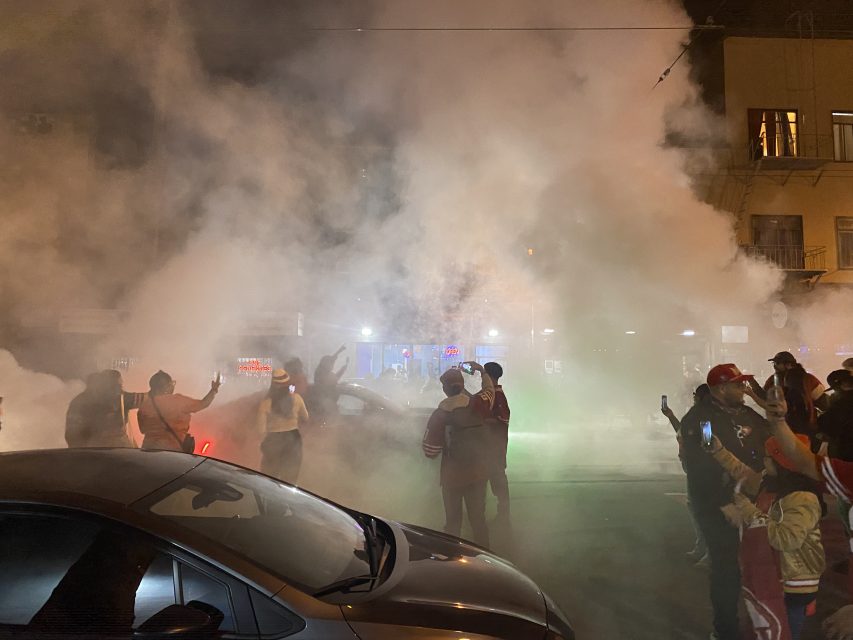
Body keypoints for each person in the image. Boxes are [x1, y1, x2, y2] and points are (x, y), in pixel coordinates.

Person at [680, 363, 770, 640]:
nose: (743, 388)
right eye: (737, 384)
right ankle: (725, 630)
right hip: (717, 505)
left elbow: (773, 439)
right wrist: (723, 502)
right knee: (726, 567)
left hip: (754, 499)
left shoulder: (747, 413)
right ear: (720, 388)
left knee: (759, 565)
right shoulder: (701, 420)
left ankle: (763, 621)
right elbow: (700, 465)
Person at [711, 434, 825, 640]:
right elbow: (742, 472)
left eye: (767, 457)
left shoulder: (802, 497)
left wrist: (749, 512)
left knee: (781, 633)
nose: (763, 461)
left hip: (793, 583)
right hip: (773, 574)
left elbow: (787, 539)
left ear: (782, 462)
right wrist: (718, 451)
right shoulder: (771, 482)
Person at [422, 362, 494, 547]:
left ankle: (453, 559)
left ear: (445, 389)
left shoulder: (440, 414)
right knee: (478, 519)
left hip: (452, 477)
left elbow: (430, 451)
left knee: (453, 522)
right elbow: (489, 390)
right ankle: (485, 557)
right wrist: (482, 371)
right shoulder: (479, 404)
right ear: (463, 385)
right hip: (478, 473)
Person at [662, 384, 712, 565]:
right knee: (696, 508)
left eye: (694, 396)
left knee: (704, 511)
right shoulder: (696, 416)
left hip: (703, 470)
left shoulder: (706, 417)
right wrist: (670, 416)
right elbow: (682, 432)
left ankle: (710, 552)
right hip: (694, 468)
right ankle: (702, 547)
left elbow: (708, 444)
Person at [137, 370, 220, 452]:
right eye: (170, 384)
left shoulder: (145, 405)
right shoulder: (177, 401)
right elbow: (203, 403)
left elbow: (142, 429)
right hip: (173, 451)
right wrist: (214, 390)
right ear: (166, 387)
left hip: (148, 450)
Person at [66, 370, 145, 448]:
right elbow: (146, 398)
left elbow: (71, 432)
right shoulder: (120, 398)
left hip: (91, 447)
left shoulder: (78, 400)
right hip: (119, 446)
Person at [256, 368, 309, 484]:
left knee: (269, 480)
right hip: (293, 440)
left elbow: (261, 430)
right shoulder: (297, 399)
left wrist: (263, 443)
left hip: (273, 441)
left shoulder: (265, 403)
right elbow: (306, 418)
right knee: (290, 480)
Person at [483, 362, 511, 525]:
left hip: (495, 447)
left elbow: (504, 418)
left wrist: (481, 420)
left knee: (498, 479)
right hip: (487, 446)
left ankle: (504, 512)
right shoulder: (491, 394)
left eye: (483, 374)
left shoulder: (498, 395)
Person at [311, 345, 349, 423]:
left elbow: (331, 359)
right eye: (331, 364)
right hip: (325, 404)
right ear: (326, 364)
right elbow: (335, 379)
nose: (333, 366)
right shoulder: (322, 373)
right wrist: (344, 368)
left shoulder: (322, 370)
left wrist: (340, 350)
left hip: (327, 402)